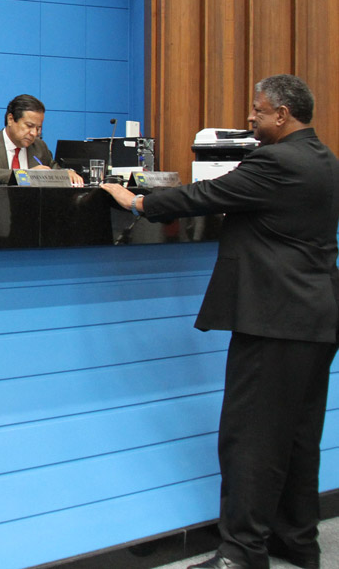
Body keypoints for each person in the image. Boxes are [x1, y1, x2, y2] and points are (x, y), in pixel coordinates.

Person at [102, 75, 339, 569]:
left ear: (283, 115)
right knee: (298, 437)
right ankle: (296, 541)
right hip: (316, 318)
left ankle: (242, 553)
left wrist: (138, 201)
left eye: (258, 110)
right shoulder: (324, 159)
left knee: (250, 439)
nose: (250, 117)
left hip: (274, 321)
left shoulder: (277, 161)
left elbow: (204, 195)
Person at [0, 94, 83, 185]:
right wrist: (27, 175)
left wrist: (67, 173)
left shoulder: (39, 146)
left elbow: (55, 170)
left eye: (38, 128)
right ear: (11, 119)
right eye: (29, 126)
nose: (34, 133)